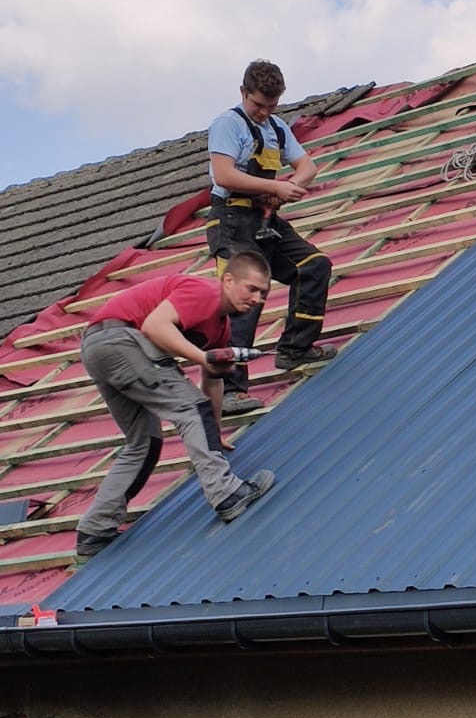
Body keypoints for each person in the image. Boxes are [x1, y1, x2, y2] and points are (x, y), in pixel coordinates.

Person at [75, 253, 276, 562]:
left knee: (145, 442)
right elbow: (155, 327)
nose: (257, 298)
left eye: (263, 293)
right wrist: (204, 359)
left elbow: (212, 381)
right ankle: (226, 494)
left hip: (99, 347)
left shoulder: (220, 328)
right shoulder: (204, 292)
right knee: (191, 408)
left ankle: (94, 530)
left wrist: (215, 428)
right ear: (228, 280)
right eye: (251, 288)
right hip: (120, 339)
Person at [206, 58, 337, 413]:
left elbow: (307, 167)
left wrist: (287, 188)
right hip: (232, 219)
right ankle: (232, 389)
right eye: (258, 105)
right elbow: (224, 176)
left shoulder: (277, 128)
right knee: (245, 297)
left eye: (271, 105)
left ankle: (295, 348)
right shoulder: (227, 124)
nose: (264, 112)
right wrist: (273, 185)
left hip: (264, 217)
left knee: (314, 265)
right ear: (243, 93)